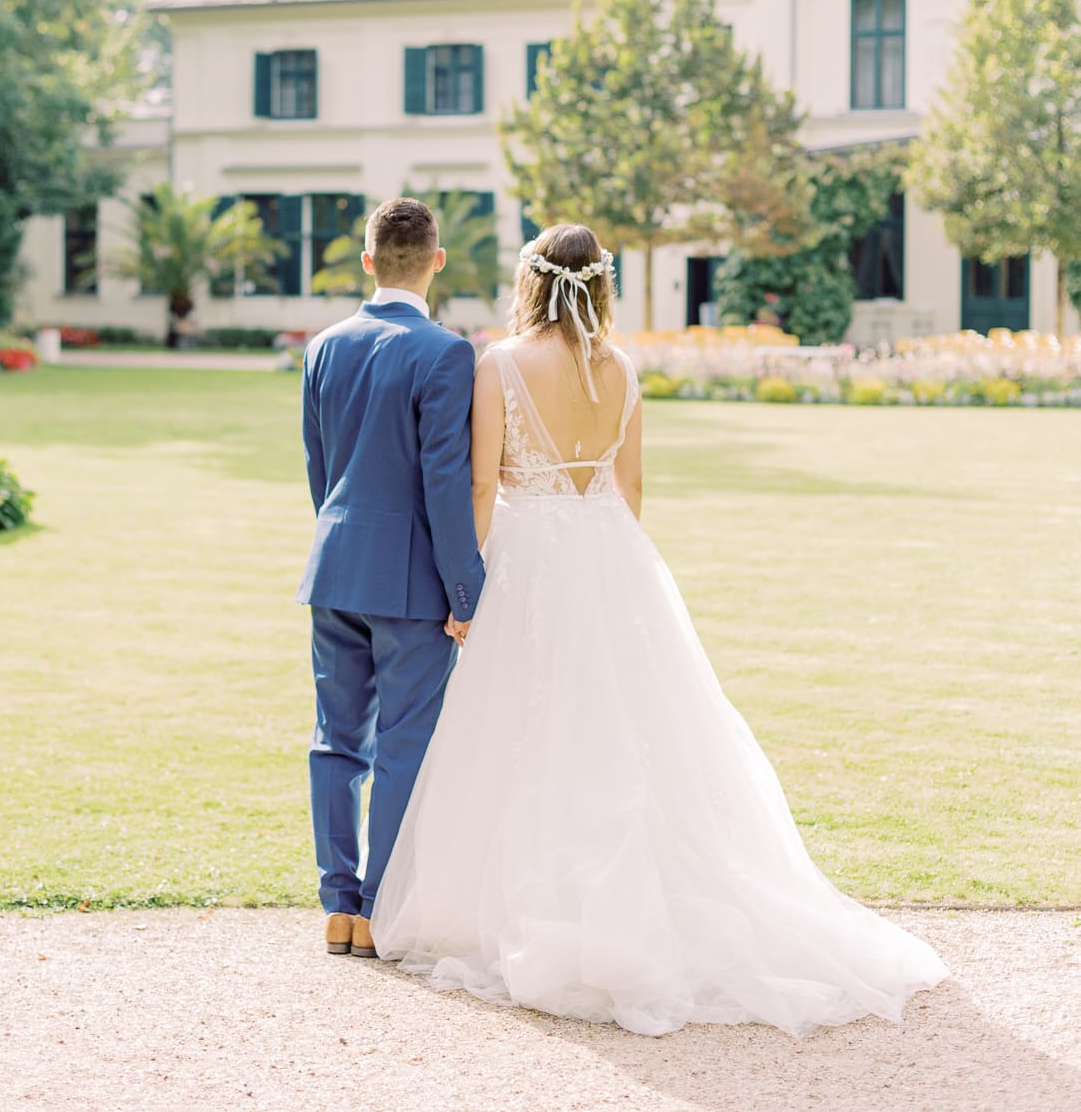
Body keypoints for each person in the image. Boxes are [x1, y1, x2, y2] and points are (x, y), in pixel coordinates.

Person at [371, 222, 947, 1036]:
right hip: (608, 554)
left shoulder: (498, 363)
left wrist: (469, 587)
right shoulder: (624, 368)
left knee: (518, 726)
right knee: (619, 730)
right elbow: (629, 486)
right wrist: (607, 568)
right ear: (600, 284)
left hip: (529, 552)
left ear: (532, 283)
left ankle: (517, 904)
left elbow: (478, 482)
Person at [297, 197, 486, 961]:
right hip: (410, 584)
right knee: (404, 744)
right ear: (437, 260)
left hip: (335, 567)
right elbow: (446, 482)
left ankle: (338, 907)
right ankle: (379, 907)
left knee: (334, 742)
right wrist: (466, 591)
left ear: (368, 259)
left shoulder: (322, 346)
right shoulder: (446, 352)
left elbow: (319, 468)